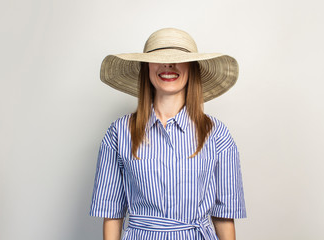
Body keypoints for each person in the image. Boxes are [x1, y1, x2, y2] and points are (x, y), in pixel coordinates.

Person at [90, 28, 246, 240]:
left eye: (177, 59)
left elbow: (224, 215)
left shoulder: (217, 134)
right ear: (146, 68)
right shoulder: (118, 133)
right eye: (159, 59)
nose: (168, 65)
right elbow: (111, 213)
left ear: (192, 68)